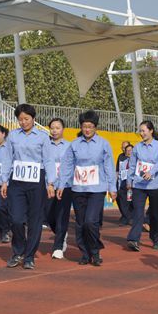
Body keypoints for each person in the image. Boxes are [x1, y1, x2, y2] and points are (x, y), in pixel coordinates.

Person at [1, 104, 56, 270]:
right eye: (20, 119)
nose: (23, 122)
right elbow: (7, 158)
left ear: (33, 118)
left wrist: (50, 183)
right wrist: (4, 180)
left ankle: (29, 256)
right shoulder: (12, 136)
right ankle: (18, 250)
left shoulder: (42, 137)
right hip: (17, 181)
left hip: (36, 181)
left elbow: (48, 160)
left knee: (35, 220)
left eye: (26, 119)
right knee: (16, 219)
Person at [58, 110, 115, 266]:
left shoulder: (104, 144)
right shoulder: (74, 145)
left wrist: (112, 187)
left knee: (91, 222)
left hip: (97, 188)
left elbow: (109, 166)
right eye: (84, 126)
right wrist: (61, 184)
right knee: (81, 223)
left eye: (90, 126)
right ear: (81, 127)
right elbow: (67, 165)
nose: (87, 129)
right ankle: (84, 253)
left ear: (95, 127)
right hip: (78, 188)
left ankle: (95, 252)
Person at [126, 121, 158, 252]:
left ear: (151, 131)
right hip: (139, 184)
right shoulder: (137, 147)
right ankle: (134, 239)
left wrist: (151, 172)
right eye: (140, 131)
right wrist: (129, 182)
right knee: (138, 212)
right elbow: (132, 165)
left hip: (155, 185)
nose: (141, 133)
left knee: (154, 213)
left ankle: (155, 238)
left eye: (144, 130)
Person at [45, 118, 72, 259]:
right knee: (49, 215)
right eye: (52, 128)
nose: (54, 130)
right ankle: (62, 233)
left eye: (57, 128)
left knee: (62, 216)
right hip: (48, 185)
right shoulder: (45, 145)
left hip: (65, 186)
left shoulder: (69, 146)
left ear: (63, 129)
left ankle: (58, 246)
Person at [116, 143, 134, 225]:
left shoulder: (137, 161)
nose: (129, 152)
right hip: (123, 183)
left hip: (133, 184)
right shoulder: (123, 161)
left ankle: (130, 218)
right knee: (122, 201)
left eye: (130, 150)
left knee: (131, 202)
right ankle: (127, 217)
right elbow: (119, 172)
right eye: (127, 150)